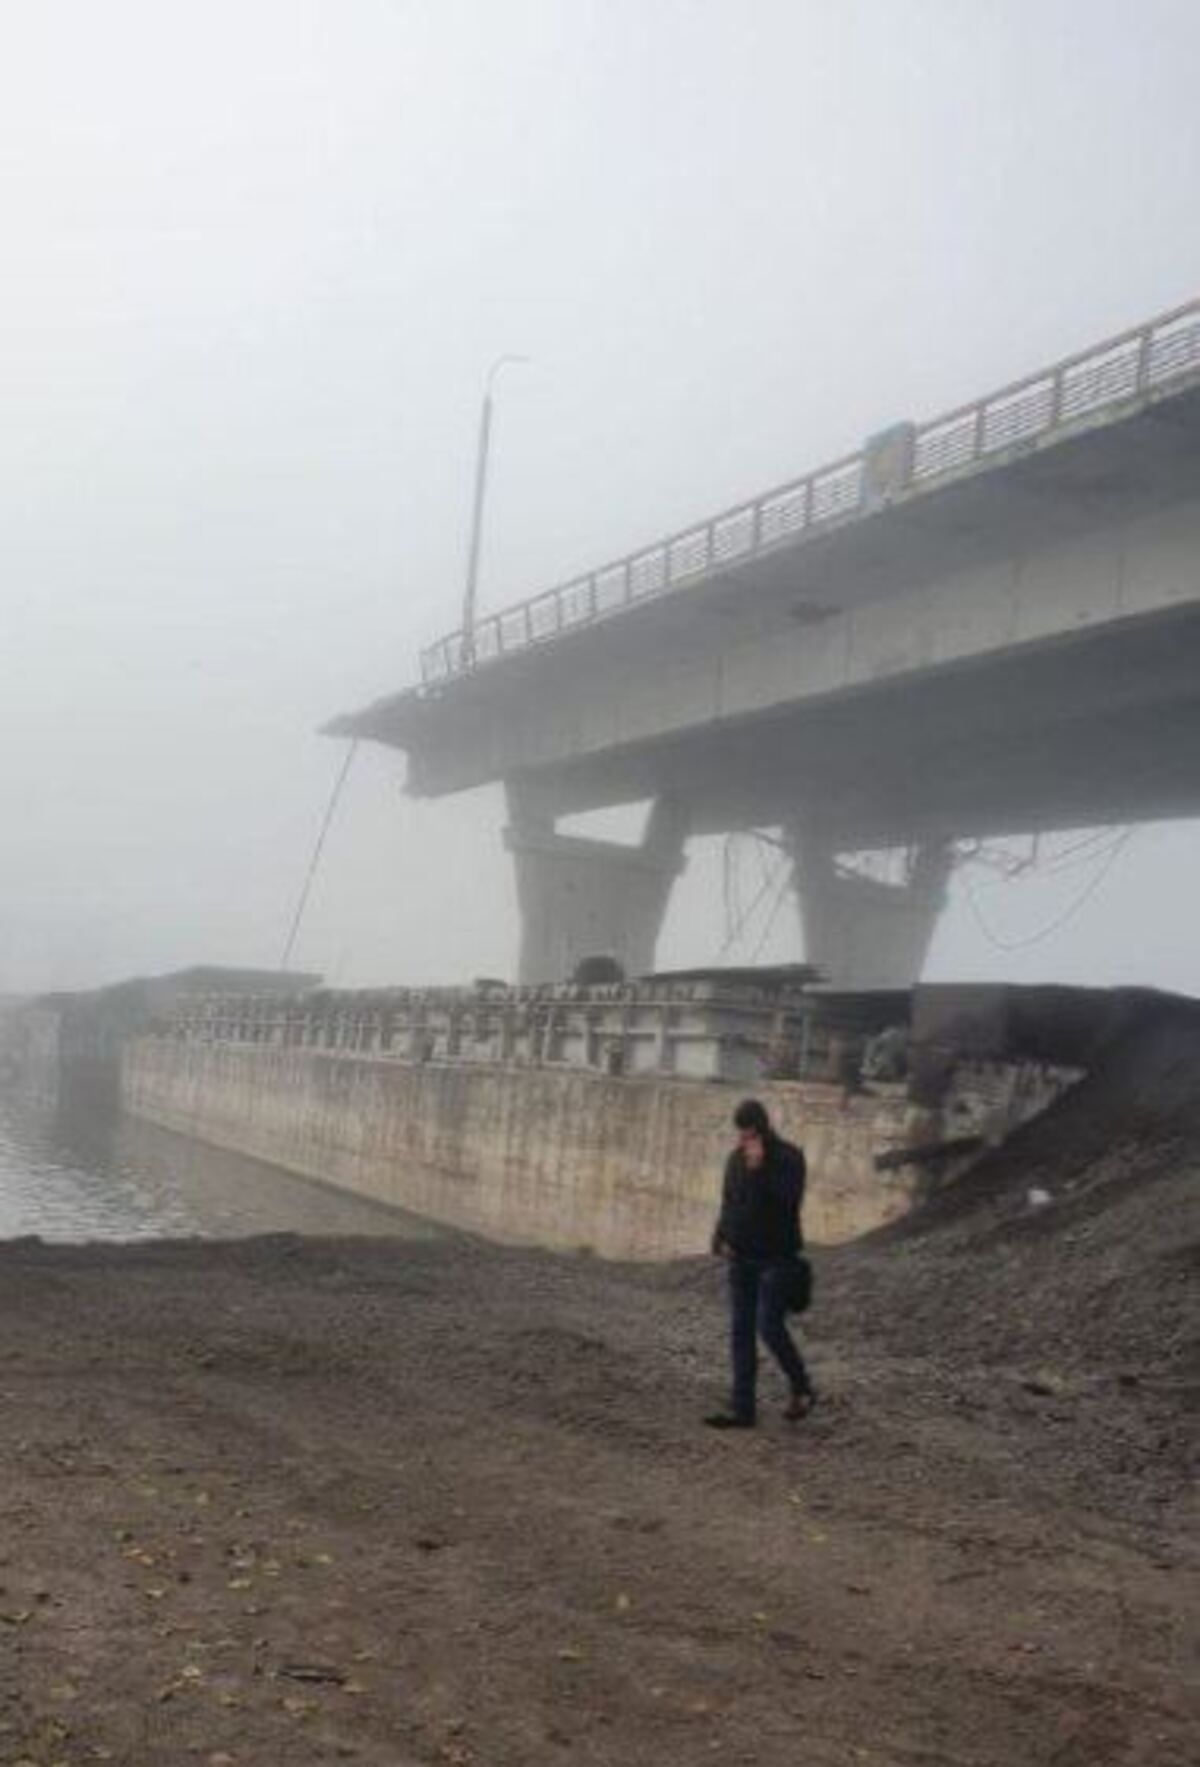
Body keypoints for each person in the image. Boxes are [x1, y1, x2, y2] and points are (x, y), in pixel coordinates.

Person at [705, 1098, 816, 1430]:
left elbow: (787, 1202)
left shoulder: (789, 1159)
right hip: (741, 1258)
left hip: (776, 1260)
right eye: (741, 1135)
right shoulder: (734, 1160)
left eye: (750, 1134)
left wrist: (759, 1170)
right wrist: (719, 1237)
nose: (744, 1142)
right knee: (741, 1333)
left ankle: (802, 1387)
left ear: (763, 1129)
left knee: (768, 1327)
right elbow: (729, 1202)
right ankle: (743, 1411)